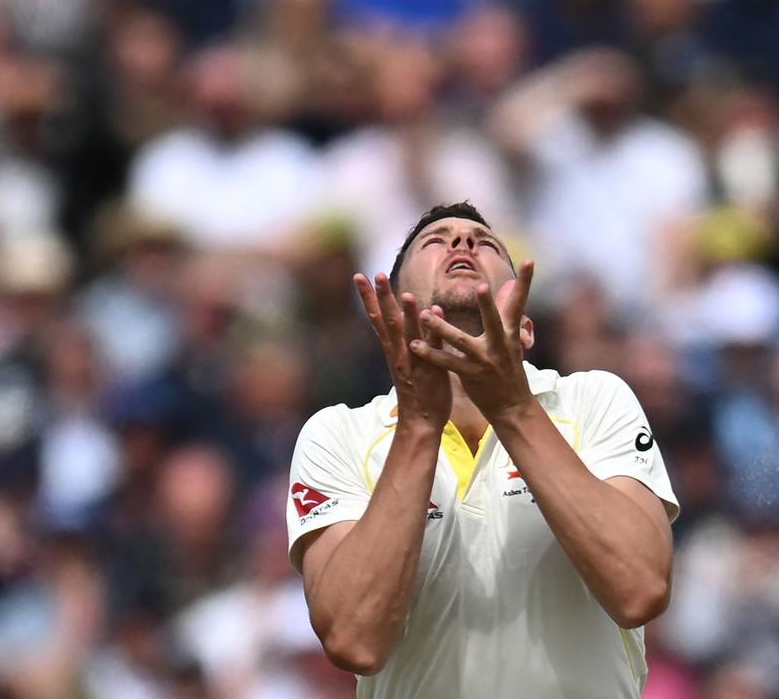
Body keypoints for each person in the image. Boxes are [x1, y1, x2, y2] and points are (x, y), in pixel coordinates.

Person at [285, 202, 679, 697]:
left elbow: (641, 587)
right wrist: (420, 427)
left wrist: (513, 409)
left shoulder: (595, 400)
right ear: (394, 318)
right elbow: (354, 641)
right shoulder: (338, 434)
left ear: (527, 328)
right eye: (436, 240)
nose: (463, 243)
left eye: (485, 243)